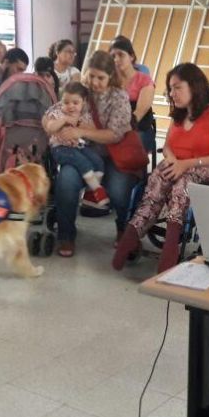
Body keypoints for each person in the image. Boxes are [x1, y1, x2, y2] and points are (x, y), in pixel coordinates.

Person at [113, 63, 209, 272]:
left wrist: (185, 164)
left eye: (177, 87)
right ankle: (130, 238)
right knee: (158, 178)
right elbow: (168, 146)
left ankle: (170, 249)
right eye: (170, 88)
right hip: (180, 163)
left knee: (182, 184)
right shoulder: (179, 114)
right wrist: (171, 160)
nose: (172, 93)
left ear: (194, 86)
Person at [53, 51, 141, 257]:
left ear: (111, 76)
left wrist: (81, 131)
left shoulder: (119, 97)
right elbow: (59, 111)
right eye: (91, 76)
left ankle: (124, 229)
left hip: (114, 155)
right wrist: (58, 125)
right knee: (66, 181)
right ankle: (66, 235)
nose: (94, 82)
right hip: (81, 153)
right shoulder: (80, 91)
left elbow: (114, 135)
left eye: (100, 78)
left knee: (119, 190)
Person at [43, 82, 109, 212]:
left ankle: (90, 194)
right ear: (61, 102)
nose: (70, 106)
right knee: (83, 163)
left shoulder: (85, 115)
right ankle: (97, 189)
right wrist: (64, 120)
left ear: (83, 102)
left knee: (98, 162)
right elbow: (50, 128)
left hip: (79, 146)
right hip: (60, 148)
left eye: (75, 103)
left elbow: (94, 129)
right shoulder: (58, 113)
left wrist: (79, 124)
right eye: (66, 102)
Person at [111, 36, 156, 154]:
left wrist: (116, 133)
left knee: (127, 146)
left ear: (131, 56)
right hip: (113, 128)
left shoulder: (144, 80)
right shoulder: (109, 81)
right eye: (113, 56)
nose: (116, 59)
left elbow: (138, 115)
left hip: (138, 128)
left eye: (121, 55)